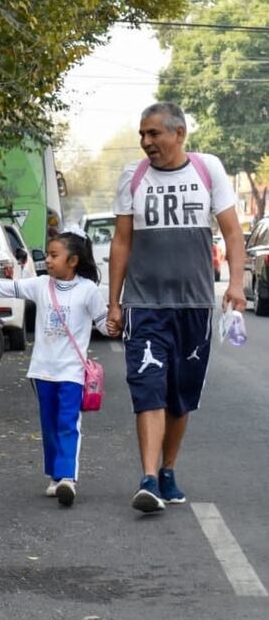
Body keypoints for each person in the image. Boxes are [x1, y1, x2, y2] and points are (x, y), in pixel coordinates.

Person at [106, 102, 247, 514]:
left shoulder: (207, 170)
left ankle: (168, 469)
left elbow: (233, 233)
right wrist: (114, 303)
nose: (146, 142)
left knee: (180, 396)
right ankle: (148, 479)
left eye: (154, 134)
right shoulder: (132, 177)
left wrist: (236, 284)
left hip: (195, 305)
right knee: (148, 390)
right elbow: (121, 242)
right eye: (142, 135)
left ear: (179, 133)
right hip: (144, 304)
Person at [0, 230, 108, 506]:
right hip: (42, 371)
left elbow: (103, 324)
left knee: (67, 422)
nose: (49, 261)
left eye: (55, 256)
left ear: (73, 260)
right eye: (49, 255)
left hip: (72, 373)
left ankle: (67, 478)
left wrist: (117, 321)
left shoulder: (88, 290)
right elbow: (4, 288)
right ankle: (55, 476)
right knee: (49, 424)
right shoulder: (41, 285)